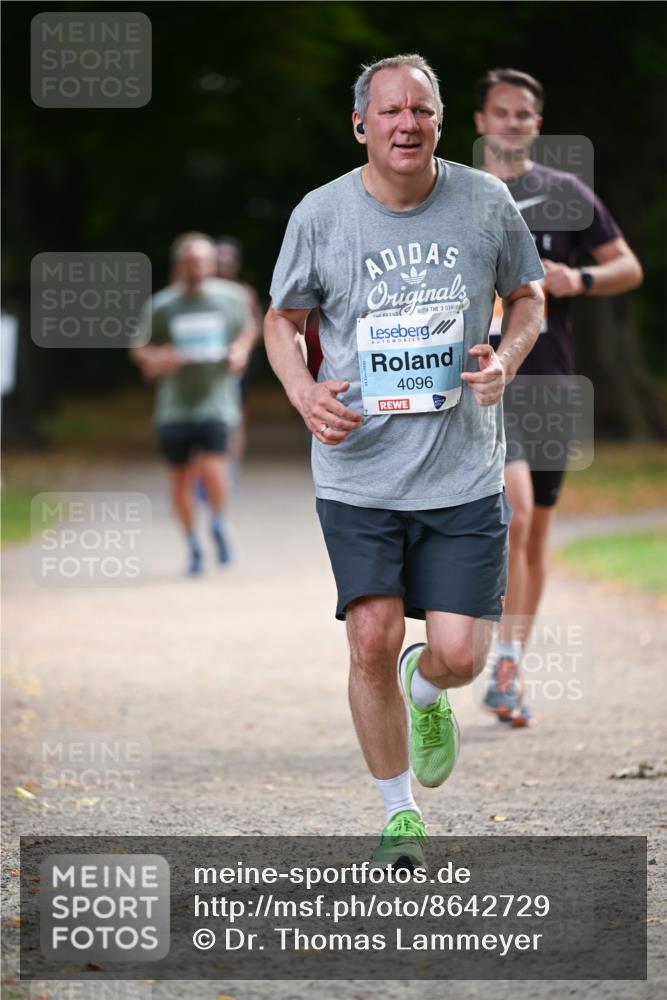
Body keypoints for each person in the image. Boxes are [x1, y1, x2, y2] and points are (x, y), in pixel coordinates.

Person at [264, 54, 545, 866]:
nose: (405, 124)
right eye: (388, 112)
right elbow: (281, 319)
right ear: (361, 126)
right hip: (358, 471)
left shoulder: (484, 203)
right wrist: (303, 390)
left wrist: (504, 356)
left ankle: (429, 691)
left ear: (439, 122)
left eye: (419, 111)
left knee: (459, 653)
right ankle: (399, 813)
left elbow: (527, 297)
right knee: (371, 637)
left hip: (460, 470)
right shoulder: (321, 215)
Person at [474, 69, 643, 725]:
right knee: (511, 515)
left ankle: (508, 664)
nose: (512, 123)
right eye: (500, 112)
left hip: (547, 380)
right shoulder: (455, 194)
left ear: (535, 126)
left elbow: (628, 266)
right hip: (480, 382)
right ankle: (460, 642)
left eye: (523, 115)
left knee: (535, 529)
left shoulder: (564, 193)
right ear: (480, 122)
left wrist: (580, 275)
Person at [131, 232, 254, 574]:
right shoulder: (162, 305)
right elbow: (139, 349)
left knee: (216, 471)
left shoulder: (231, 298)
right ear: (179, 265)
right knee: (181, 479)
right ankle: (192, 543)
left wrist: (239, 351)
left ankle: (217, 519)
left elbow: (247, 331)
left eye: (202, 260)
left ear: (212, 263)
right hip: (174, 407)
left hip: (216, 403)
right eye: (190, 261)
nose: (196, 267)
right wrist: (159, 357)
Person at [216, 236, 263, 467]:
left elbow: (257, 325)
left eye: (228, 260)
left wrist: (242, 347)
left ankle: (231, 466)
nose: (224, 264)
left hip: (236, 365)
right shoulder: (201, 292)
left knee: (236, 415)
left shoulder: (245, 293)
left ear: (237, 264)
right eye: (219, 259)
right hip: (206, 363)